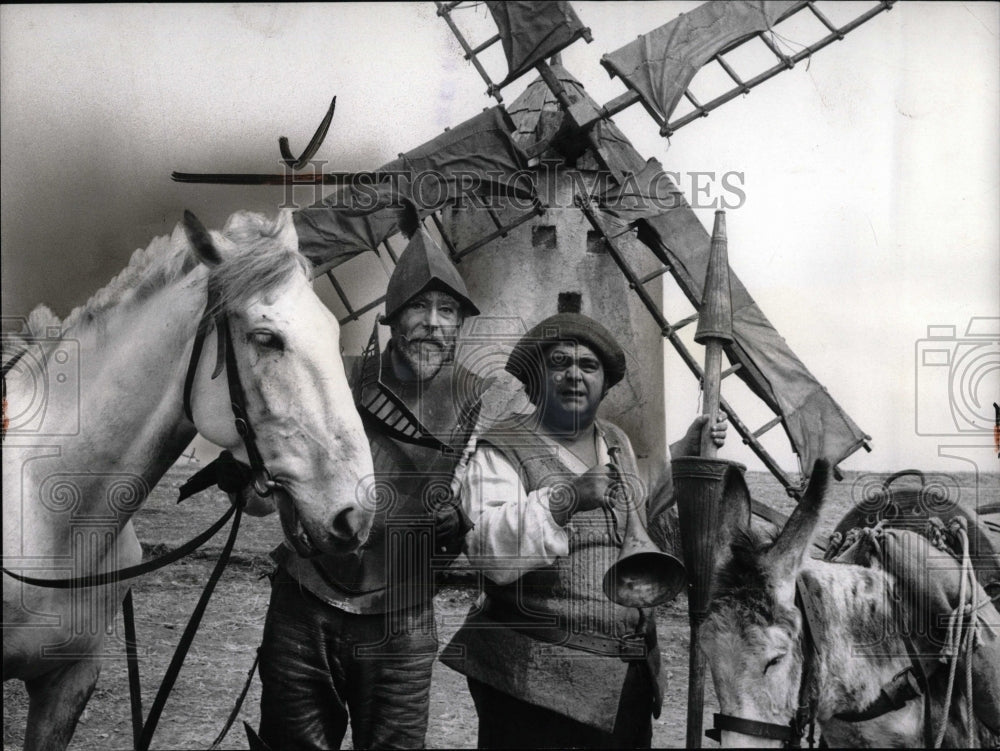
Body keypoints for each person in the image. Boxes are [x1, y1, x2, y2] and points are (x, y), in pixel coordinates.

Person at [440, 307, 725, 749]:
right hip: (531, 684)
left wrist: (686, 452)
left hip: (627, 678)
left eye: (588, 366)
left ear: (604, 384)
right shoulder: (501, 446)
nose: (575, 375)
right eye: (560, 364)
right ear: (536, 379)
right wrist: (567, 498)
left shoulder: (615, 439)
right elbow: (489, 550)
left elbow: (636, 512)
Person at [255, 217, 486, 750]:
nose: (431, 323)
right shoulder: (335, 377)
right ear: (391, 318)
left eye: (446, 310)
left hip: (401, 620)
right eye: (418, 308)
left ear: (461, 324)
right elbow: (270, 471)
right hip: (306, 600)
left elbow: (496, 515)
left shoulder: (481, 402)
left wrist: (459, 521)